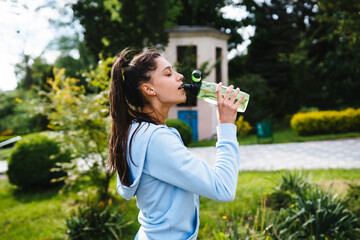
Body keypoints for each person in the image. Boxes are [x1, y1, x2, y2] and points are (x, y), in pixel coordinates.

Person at [108, 49, 245, 240]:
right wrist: (227, 126)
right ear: (148, 89)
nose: (180, 77)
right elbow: (223, 188)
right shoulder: (156, 140)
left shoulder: (135, 131)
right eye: (168, 73)